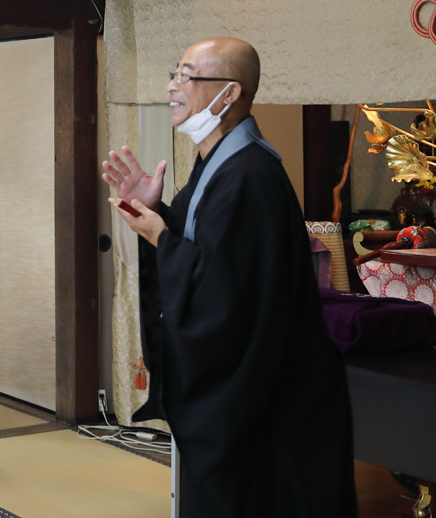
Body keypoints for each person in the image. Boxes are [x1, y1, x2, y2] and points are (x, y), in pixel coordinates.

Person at [102, 37, 356, 518]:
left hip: (268, 400)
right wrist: (155, 214)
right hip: (248, 391)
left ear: (230, 93)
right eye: (174, 74)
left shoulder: (250, 174)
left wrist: (162, 238)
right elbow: (207, 255)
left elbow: (226, 293)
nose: (173, 87)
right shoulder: (217, 165)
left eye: (187, 76)